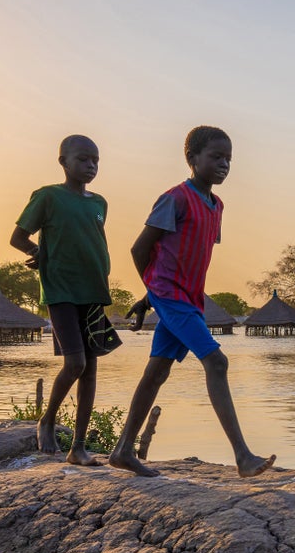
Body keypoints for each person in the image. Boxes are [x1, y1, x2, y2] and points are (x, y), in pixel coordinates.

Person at [109, 126, 274, 478]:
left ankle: (123, 450)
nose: (224, 164)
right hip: (173, 297)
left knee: (156, 373)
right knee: (217, 362)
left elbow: (181, 257)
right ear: (192, 158)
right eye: (216, 157)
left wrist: (148, 297)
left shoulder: (216, 206)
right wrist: (156, 292)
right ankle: (243, 457)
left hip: (185, 299)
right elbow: (140, 249)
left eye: (229, 158)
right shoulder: (176, 199)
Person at [10, 134, 112, 466]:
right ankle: (48, 421)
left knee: (91, 372)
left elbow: (93, 242)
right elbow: (18, 237)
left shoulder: (99, 203)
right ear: (63, 162)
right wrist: (36, 251)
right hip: (61, 290)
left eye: (96, 160)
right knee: (75, 363)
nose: (91, 165)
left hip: (93, 291)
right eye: (83, 159)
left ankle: (78, 447)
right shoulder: (49, 197)